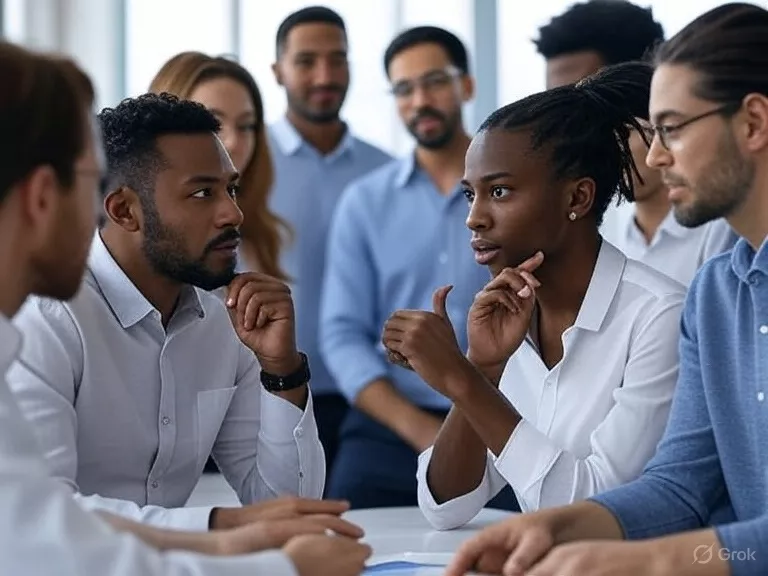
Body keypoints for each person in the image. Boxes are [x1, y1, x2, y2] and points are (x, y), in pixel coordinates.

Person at [0, 39, 370, 576]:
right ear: (121, 209)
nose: (233, 213)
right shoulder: (47, 323)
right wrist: (244, 546)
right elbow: (44, 542)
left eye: (232, 190)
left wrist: (282, 372)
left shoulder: (228, 319)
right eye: (203, 194)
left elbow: (285, 506)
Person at [446, 4, 768, 576]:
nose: (656, 155)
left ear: (752, 123)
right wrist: (546, 528)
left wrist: (653, 561)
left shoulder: (670, 303)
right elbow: (677, 489)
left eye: (671, 129)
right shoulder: (717, 295)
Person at [381, 61, 684, 529]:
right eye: (470, 195)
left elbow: (594, 509)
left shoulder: (660, 317)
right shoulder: (511, 319)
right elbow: (445, 507)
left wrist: (460, 378)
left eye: (499, 191)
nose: (474, 218)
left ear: (577, 199)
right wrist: (483, 366)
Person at [320, 26, 515, 510]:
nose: (419, 100)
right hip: (390, 428)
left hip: (502, 416)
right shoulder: (364, 203)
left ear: (466, 86)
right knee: (344, 537)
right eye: (404, 89)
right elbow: (342, 333)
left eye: (433, 82)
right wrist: (421, 430)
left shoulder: (515, 191)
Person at [268, 6, 392, 479]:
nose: (325, 75)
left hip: (367, 395)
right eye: (306, 61)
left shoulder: (384, 172)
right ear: (278, 70)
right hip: (270, 390)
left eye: (337, 59)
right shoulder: (246, 169)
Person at [535, 0, 736, 285]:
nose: (571, 127)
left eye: (590, 104)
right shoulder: (598, 235)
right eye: (560, 108)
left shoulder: (729, 227)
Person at [150, 51, 290, 279]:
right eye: (213, 124)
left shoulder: (264, 236)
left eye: (246, 126)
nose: (233, 142)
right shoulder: (143, 239)